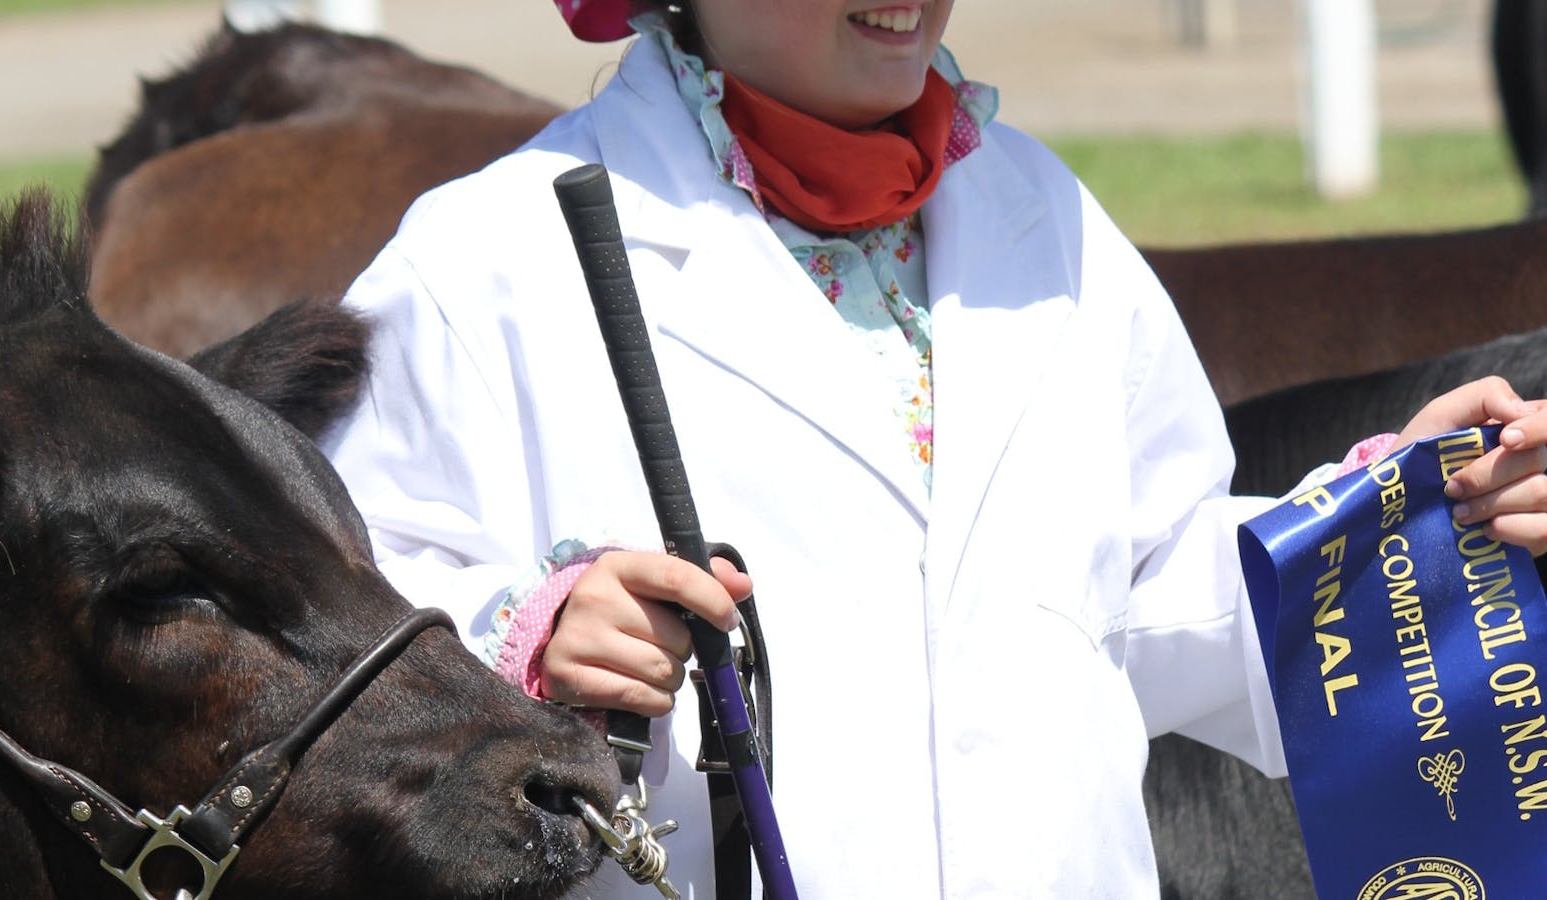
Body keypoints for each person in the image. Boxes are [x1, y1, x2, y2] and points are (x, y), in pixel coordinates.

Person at [322, 1, 1547, 895]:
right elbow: (308, 638)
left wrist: (1394, 525)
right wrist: (521, 635)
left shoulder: (1046, 220)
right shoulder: (480, 267)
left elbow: (1148, 594)